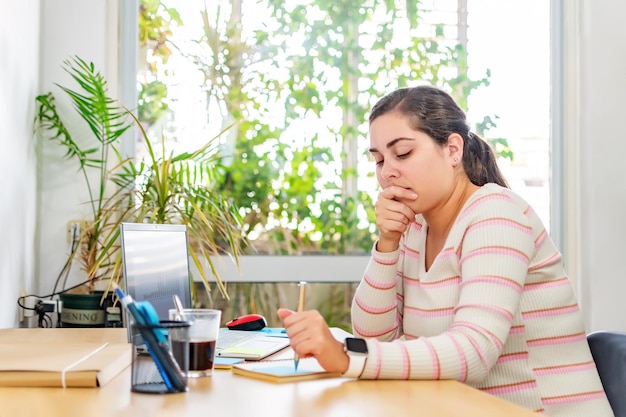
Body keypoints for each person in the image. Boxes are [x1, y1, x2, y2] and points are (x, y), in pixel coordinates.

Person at [278, 85, 614, 417]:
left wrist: (347, 355)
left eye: (403, 153)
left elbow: (475, 352)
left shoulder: (495, 214)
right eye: (379, 160)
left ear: (453, 149)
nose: (388, 171)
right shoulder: (415, 228)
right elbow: (375, 335)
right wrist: (387, 244)